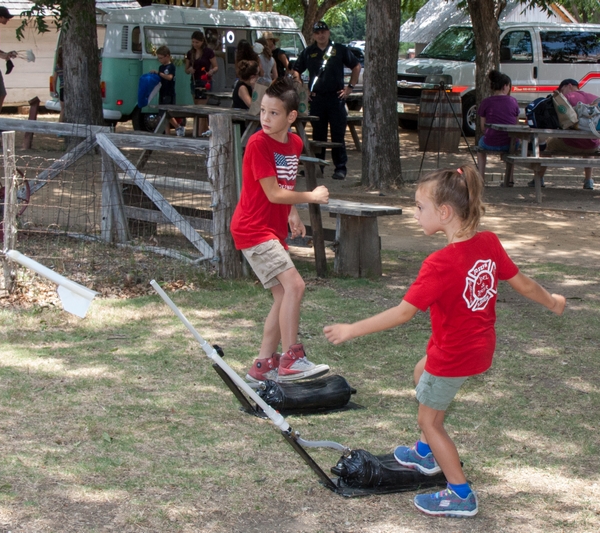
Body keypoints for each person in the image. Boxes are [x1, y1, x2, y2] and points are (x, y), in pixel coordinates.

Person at [323, 166, 566, 518]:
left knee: (430, 421)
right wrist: (552, 301)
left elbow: (403, 313)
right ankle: (424, 453)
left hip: (453, 356)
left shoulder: (439, 263)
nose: (415, 213)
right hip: (476, 348)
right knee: (421, 371)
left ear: (444, 212)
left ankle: (459, 492)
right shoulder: (489, 243)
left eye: (420, 206)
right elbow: (524, 284)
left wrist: (351, 329)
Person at [231, 77, 331, 384]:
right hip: (253, 229)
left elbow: (284, 185)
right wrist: (310, 197)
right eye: (263, 111)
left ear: (291, 117)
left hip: (271, 230)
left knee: (283, 295)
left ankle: (262, 365)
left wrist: (294, 214)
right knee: (296, 287)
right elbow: (273, 193)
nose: (265, 118)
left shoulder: (294, 143)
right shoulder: (259, 144)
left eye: (274, 113)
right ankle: (291, 358)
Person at [293, 21, 361, 180]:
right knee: (318, 135)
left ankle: (340, 168)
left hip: (336, 98)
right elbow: (296, 70)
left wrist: (350, 87)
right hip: (317, 99)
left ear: (328, 32)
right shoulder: (309, 52)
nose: (320, 35)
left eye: (323, 31)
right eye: (317, 33)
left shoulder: (339, 49)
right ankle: (318, 167)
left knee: (338, 134)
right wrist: (303, 90)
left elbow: (356, 66)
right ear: (313, 35)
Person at [532, 78, 598, 190]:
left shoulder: (565, 98)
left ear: (569, 86)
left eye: (561, 89)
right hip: (593, 146)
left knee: (547, 146)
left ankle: (538, 178)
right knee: (589, 141)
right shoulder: (594, 98)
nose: (561, 93)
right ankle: (588, 180)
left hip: (569, 144)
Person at [476, 70, 519, 181]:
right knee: (514, 144)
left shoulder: (486, 102)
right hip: (510, 143)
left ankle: (481, 177)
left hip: (491, 142)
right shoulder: (513, 101)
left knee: (480, 146)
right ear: (505, 86)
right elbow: (516, 123)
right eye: (509, 86)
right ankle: (510, 177)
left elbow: (482, 127)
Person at [185, 31, 218, 135]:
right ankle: (203, 131)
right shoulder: (190, 53)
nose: (195, 44)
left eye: (197, 42)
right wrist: (189, 69)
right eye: (193, 42)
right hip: (194, 80)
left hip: (205, 81)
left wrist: (211, 71)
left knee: (202, 107)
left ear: (202, 41)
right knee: (197, 107)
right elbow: (186, 69)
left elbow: (216, 66)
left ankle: (199, 132)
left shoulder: (208, 52)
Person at [150, 46, 184, 137]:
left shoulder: (171, 66)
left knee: (167, 114)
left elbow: (169, 77)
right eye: (159, 58)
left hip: (169, 93)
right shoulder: (161, 67)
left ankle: (178, 126)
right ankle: (167, 133)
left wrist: (159, 73)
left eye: (161, 58)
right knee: (162, 114)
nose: (160, 60)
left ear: (167, 56)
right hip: (162, 92)